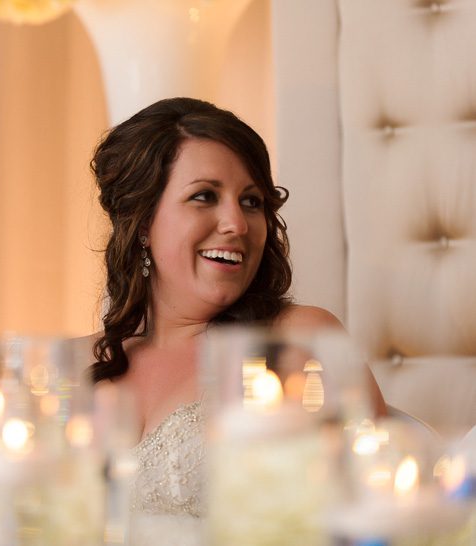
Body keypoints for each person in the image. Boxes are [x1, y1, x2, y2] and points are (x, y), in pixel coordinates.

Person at [89, 97, 386, 542]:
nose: (238, 224)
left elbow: (376, 510)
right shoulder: (74, 365)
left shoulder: (299, 342)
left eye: (251, 201)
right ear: (143, 221)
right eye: (204, 196)